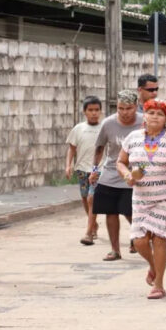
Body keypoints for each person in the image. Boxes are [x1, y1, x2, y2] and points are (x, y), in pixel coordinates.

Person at [115, 100, 166, 299]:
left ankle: (159, 284)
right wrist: (127, 174)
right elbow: (120, 162)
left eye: (160, 114)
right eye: (151, 112)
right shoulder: (133, 137)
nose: (155, 116)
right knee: (139, 241)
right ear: (144, 115)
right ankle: (154, 267)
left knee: (159, 238)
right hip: (140, 198)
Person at [89, 90, 143, 261]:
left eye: (129, 108)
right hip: (111, 171)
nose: (124, 112)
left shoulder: (144, 122)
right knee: (110, 212)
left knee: (130, 211)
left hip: (135, 173)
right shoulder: (108, 123)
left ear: (136, 107)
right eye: (120, 108)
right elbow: (99, 148)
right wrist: (95, 169)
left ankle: (136, 237)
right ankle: (115, 250)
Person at [66, 96, 103, 246]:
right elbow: (72, 149)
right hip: (82, 169)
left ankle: (89, 231)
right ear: (84, 112)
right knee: (84, 198)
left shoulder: (104, 128)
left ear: (101, 111)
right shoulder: (78, 128)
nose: (94, 113)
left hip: (98, 170)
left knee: (91, 198)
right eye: (90, 110)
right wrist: (68, 165)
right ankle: (93, 224)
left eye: (97, 110)